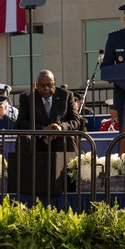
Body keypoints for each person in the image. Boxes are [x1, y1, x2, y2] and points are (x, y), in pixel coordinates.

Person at [15, 70, 82, 199]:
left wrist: (60, 128)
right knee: (23, 137)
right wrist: (42, 130)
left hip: (59, 138)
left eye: (49, 85)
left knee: (68, 138)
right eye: (42, 85)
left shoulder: (66, 95)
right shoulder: (27, 97)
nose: (46, 88)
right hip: (37, 138)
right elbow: (21, 122)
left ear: (55, 84)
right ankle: (25, 186)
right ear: (36, 85)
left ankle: (70, 185)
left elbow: (75, 121)